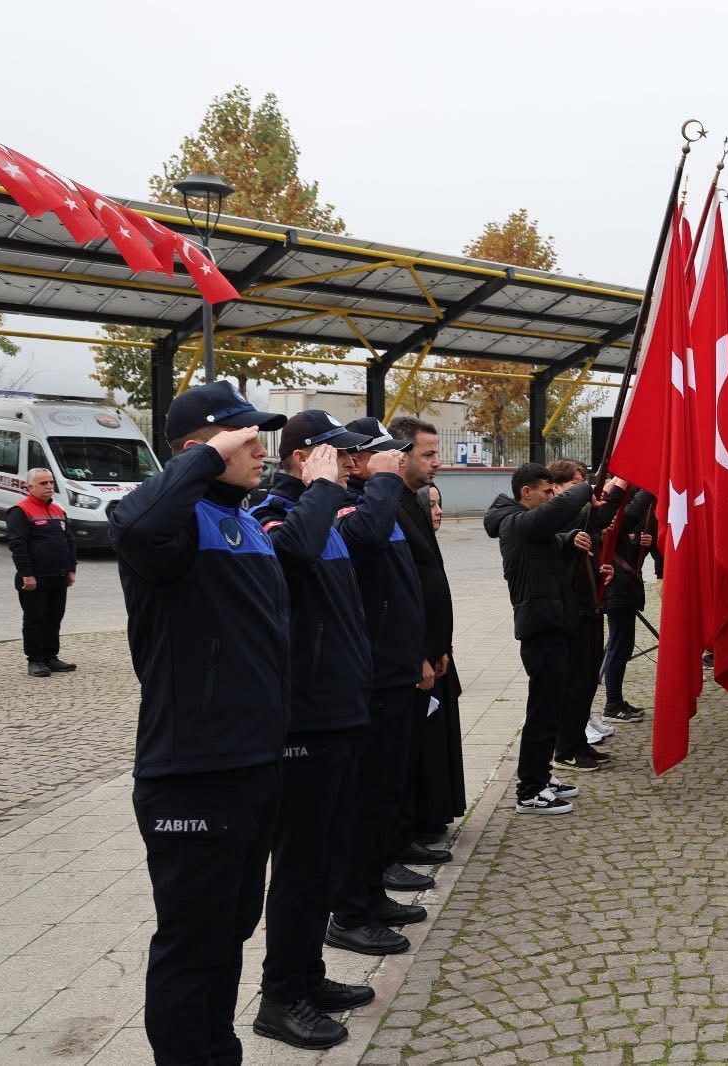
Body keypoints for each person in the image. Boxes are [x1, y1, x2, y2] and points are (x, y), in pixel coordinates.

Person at [108, 380, 289, 1066]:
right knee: (192, 943)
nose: (260, 449)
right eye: (244, 437)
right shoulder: (173, 525)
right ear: (196, 450)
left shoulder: (241, 520)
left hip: (252, 764)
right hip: (193, 771)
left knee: (229, 931)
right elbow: (134, 526)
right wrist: (205, 458)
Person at [247, 412, 377, 1050]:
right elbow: (292, 553)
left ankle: (307, 973)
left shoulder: (324, 515)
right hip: (305, 718)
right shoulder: (274, 514)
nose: (351, 464)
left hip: (340, 709)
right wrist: (320, 490)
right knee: (299, 863)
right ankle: (280, 996)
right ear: (304, 457)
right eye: (339, 454)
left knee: (324, 855)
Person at [326, 417, 429, 956]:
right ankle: (351, 909)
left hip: (394, 668)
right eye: (381, 454)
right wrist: (384, 481)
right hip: (369, 674)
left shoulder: (376, 501)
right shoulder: (353, 505)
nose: (394, 460)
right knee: (363, 800)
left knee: (384, 790)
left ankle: (371, 894)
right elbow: (363, 537)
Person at [483, 463, 594, 813]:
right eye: (547, 491)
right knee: (542, 713)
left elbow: (547, 542)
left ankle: (541, 775)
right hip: (540, 629)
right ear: (526, 492)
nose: (552, 497)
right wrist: (587, 488)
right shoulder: (515, 522)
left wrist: (567, 540)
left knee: (551, 707)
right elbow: (556, 514)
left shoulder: (527, 525)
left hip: (553, 624)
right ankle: (530, 791)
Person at [388, 418, 465, 858]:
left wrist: (440, 645)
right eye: (428, 454)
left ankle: (415, 828)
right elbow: (398, 591)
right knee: (402, 754)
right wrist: (417, 651)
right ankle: (400, 839)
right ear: (401, 456)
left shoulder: (413, 501)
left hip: (431, 650)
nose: (438, 462)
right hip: (407, 655)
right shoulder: (389, 505)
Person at [548, 458, 622, 771]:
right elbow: (597, 515)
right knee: (575, 683)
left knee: (588, 680)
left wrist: (600, 572)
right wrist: (623, 481)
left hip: (590, 607)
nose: (582, 490)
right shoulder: (558, 517)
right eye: (575, 484)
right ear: (555, 488)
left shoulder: (574, 517)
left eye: (583, 483)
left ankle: (578, 742)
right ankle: (565, 749)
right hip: (571, 612)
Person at [5, 466, 77, 678]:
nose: (49, 486)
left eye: (51, 482)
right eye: (43, 483)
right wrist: (27, 574)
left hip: (58, 575)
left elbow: (69, 540)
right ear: (30, 487)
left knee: (54, 617)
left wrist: (71, 569)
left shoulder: (57, 510)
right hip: (35, 578)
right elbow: (18, 545)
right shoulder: (20, 511)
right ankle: (35, 660)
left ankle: (51, 656)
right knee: (35, 618)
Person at [598, 489, 653, 725]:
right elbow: (629, 516)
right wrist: (650, 485)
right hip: (617, 592)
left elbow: (626, 556)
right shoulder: (606, 517)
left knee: (623, 646)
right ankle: (612, 704)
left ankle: (616, 701)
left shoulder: (614, 521)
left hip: (625, 590)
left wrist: (642, 544)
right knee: (618, 648)